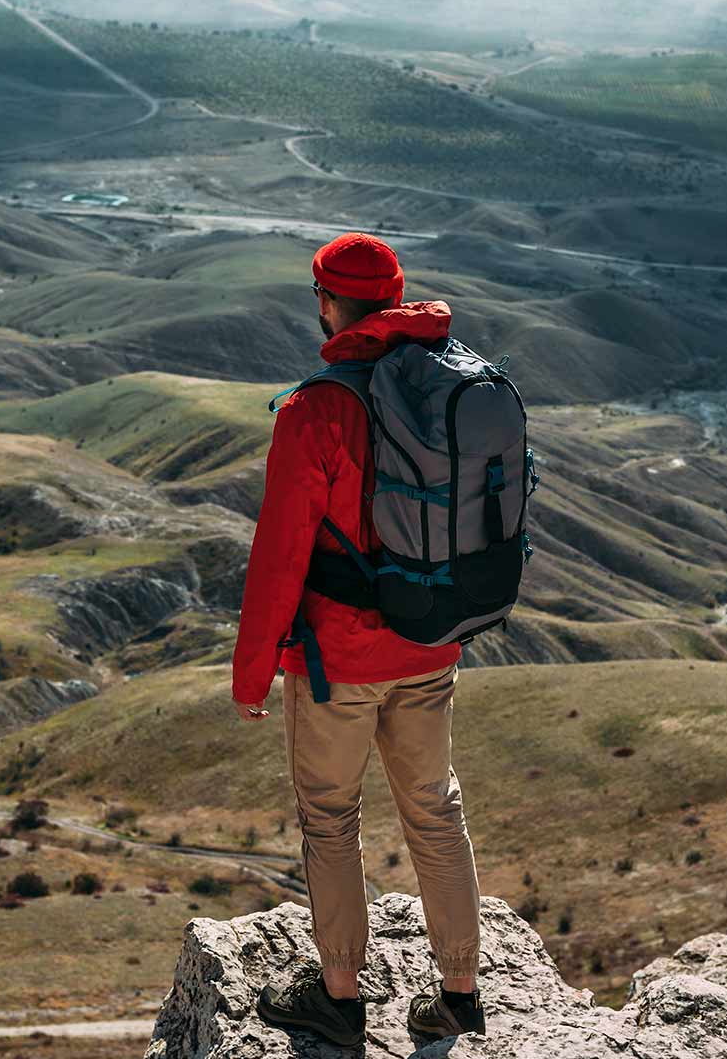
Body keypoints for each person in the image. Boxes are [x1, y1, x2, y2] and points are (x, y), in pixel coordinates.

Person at [233, 232, 486, 1045]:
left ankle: (339, 997)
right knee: (436, 813)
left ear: (326, 302)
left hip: (337, 660)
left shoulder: (315, 411)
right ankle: (459, 993)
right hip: (432, 640)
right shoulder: (451, 385)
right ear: (397, 296)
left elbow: (281, 554)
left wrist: (251, 672)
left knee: (331, 820)